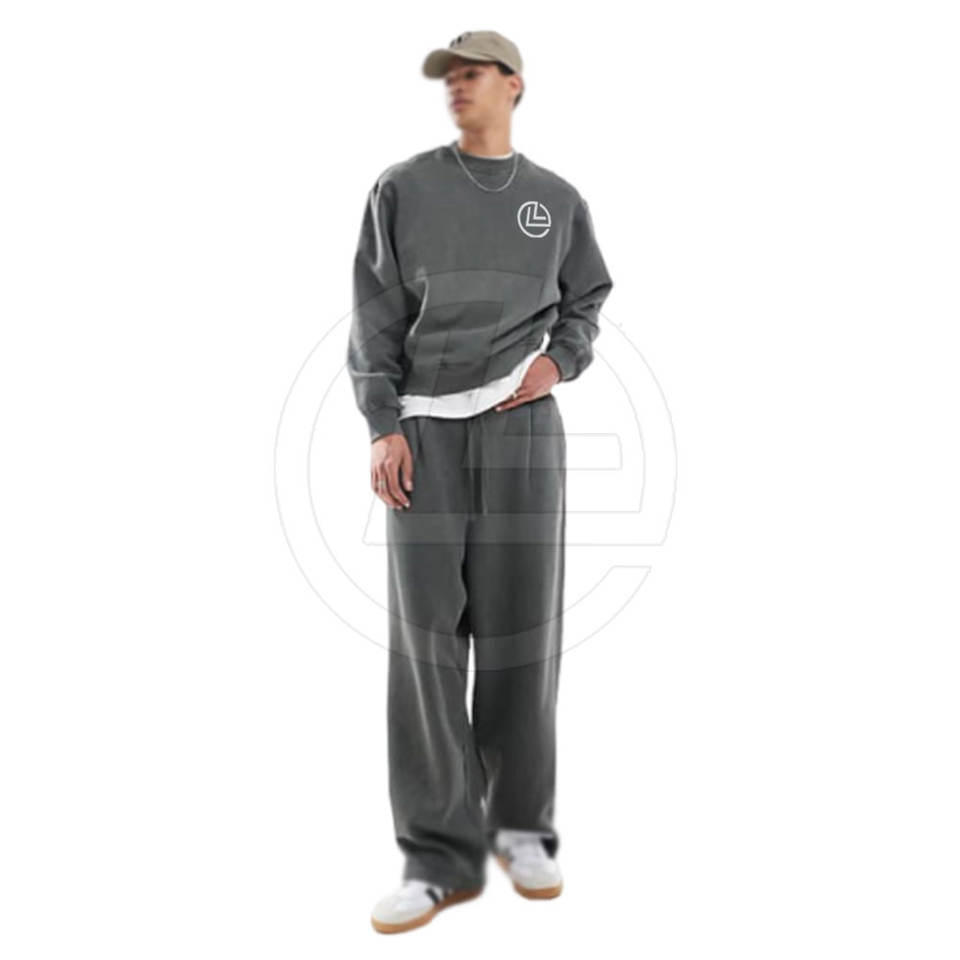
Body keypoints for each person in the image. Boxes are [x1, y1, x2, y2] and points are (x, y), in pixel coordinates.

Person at [346, 30, 614, 934]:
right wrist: (383, 425)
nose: (457, 87)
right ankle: (437, 857)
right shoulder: (402, 188)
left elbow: (588, 297)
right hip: (424, 433)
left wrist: (560, 361)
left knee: (521, 631)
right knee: (425, 641)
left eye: (474, 74)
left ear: (514, 86)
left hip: (523, 433)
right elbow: (374, 315)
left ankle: (522, 828)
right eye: (449, 77)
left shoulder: (556, 199)